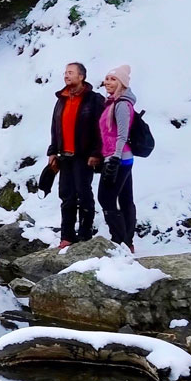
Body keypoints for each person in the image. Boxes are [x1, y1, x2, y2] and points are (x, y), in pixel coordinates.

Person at [47, 61, 105, 246]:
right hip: (64, 155)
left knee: (84, 194)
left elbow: (102, 128)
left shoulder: (94, 99)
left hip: (84, 155)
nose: (66, 75)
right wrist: (52, 151)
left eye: (70, 72)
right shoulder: (61, 99)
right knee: (66, 195)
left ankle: (85, 235)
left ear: (81, 76)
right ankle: (67, 236)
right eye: (65, 72)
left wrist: (97, 152)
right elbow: (55, 127)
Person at [97, 64, 139, 251]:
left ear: (122, 83)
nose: (108, 82)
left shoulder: (122, 105)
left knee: (106, 198)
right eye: (107, 78)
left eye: (113, 79)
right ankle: (127, 241)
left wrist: (114, 158)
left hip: (119, 158)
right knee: (125, 198)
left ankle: (119, 240)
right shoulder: (113, 103)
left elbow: (122, 134)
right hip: (119, 157)